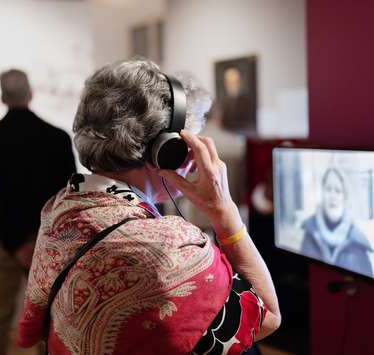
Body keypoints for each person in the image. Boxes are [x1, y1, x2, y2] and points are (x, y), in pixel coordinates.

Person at [17, 59, 280, 355]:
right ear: (166, 151)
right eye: (187, 142)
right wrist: (226, 214)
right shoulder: (167, 248)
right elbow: (267, 317)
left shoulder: (60, 210)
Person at [0, 69, 76, 355]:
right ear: (31, 94)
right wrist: (36, 242)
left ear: (2, 96)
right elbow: (64, 199)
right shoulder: (57, 138)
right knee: (48, 322)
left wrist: (15, 242)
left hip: (3, 243)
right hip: (48, 245)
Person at [180, 101, 246, 232]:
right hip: (231, 218)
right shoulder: (238, 143)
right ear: (219, 116)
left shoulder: (190, 142)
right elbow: (242, 184)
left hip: (198, 219)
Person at [300, 167, 373, 276]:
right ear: (322, 193)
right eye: (328, 189)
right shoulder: (310, 232)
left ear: (345, 196)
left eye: (338, 191)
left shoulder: (358, 242)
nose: (332, 196)